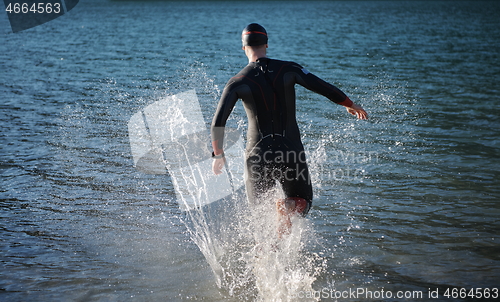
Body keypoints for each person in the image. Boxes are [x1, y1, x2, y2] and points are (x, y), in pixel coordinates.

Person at [211, 23, 368, 236]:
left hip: (258, 155)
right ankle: (288, 208)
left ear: (243, 48)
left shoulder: (237, 82)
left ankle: (266, 261)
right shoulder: (289, 69)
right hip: (290, 151)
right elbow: (323, 87)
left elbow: (218, 123)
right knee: (302, 202)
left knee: (259, 215)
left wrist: (218, 155)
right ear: (266, 44)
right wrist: (350, 104)